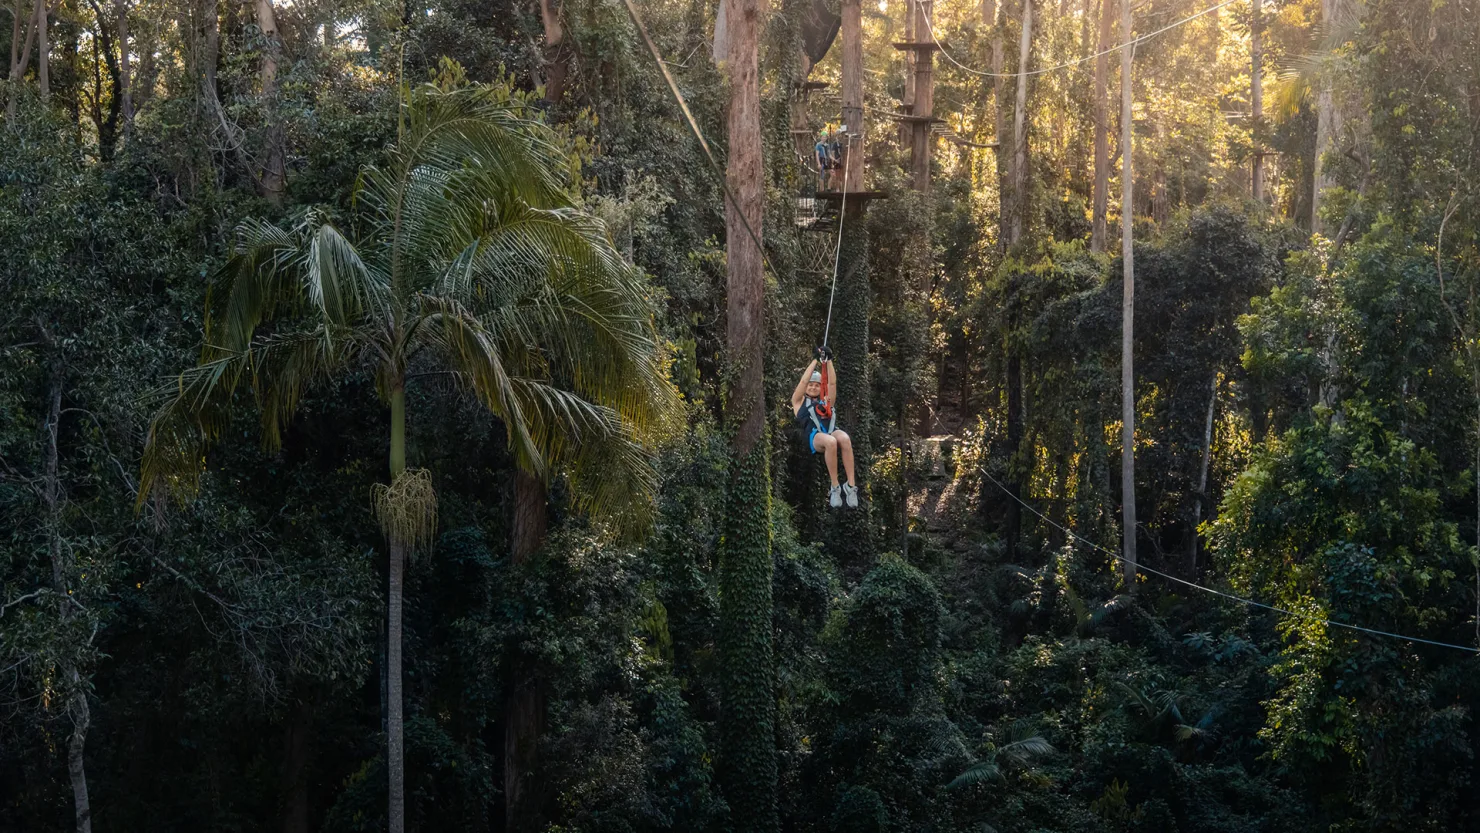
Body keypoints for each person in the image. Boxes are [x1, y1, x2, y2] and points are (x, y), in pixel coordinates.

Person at [791, 347, 858, 508]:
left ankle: (850, 486)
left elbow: (832, 383)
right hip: (814, 437)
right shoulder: (799, 402)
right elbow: (803, 382)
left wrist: (829, 361)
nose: (813, 387)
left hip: (830, 430)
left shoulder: (826, 400)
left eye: (817, 385)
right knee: (831, 442)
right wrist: (815, 360)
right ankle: (835, 487)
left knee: (844, 439)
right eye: (811, 385)